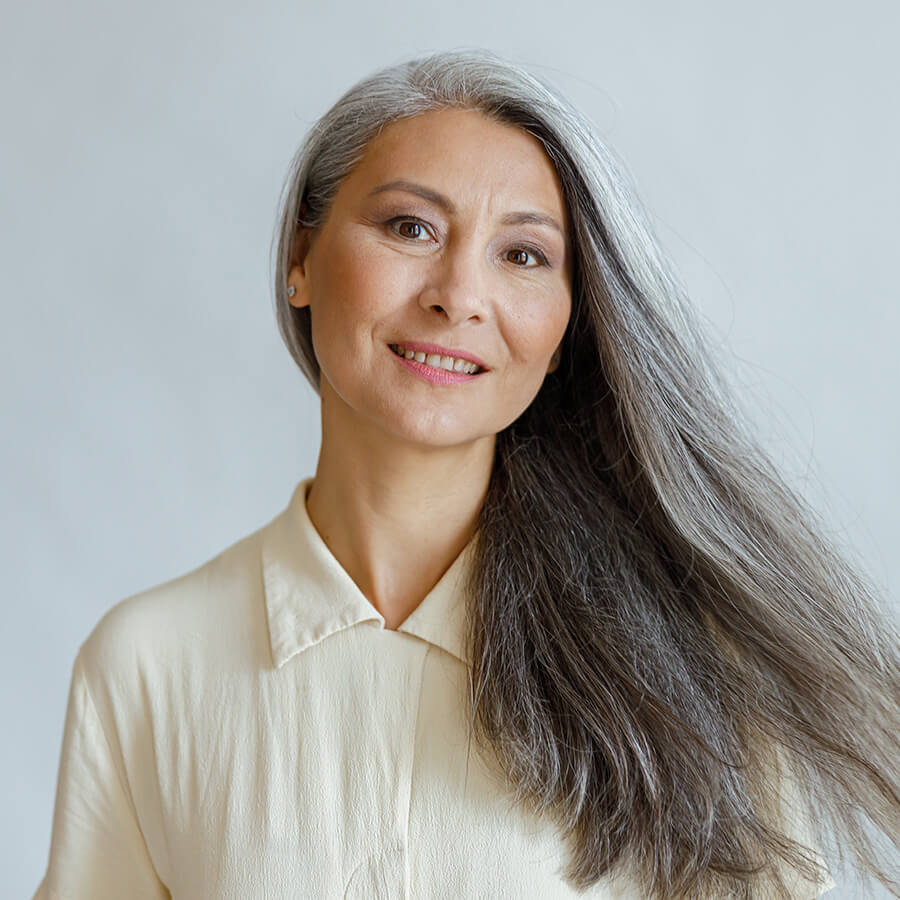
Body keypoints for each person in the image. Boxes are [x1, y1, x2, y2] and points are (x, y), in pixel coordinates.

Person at [33, 49, 899, 899]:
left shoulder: (699, 672)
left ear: (567, 329)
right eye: (411, 228)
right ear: (302, 256)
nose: (459, 294)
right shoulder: (145, 666)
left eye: (522, 255)